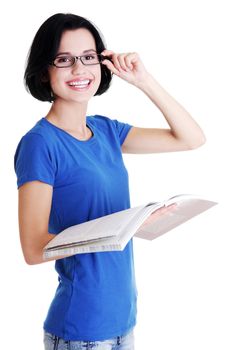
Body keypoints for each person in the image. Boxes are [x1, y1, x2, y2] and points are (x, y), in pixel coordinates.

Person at [14, 12, 205, 350]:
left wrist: (143, 80)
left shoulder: (107, 131)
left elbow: (190, 138)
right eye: (64, 59)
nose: (79, 69)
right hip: (81, 330)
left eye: (89, 57)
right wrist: (120, 228)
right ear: (45, 71)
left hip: (123, 321)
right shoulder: (40, 144)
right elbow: (33, 248)